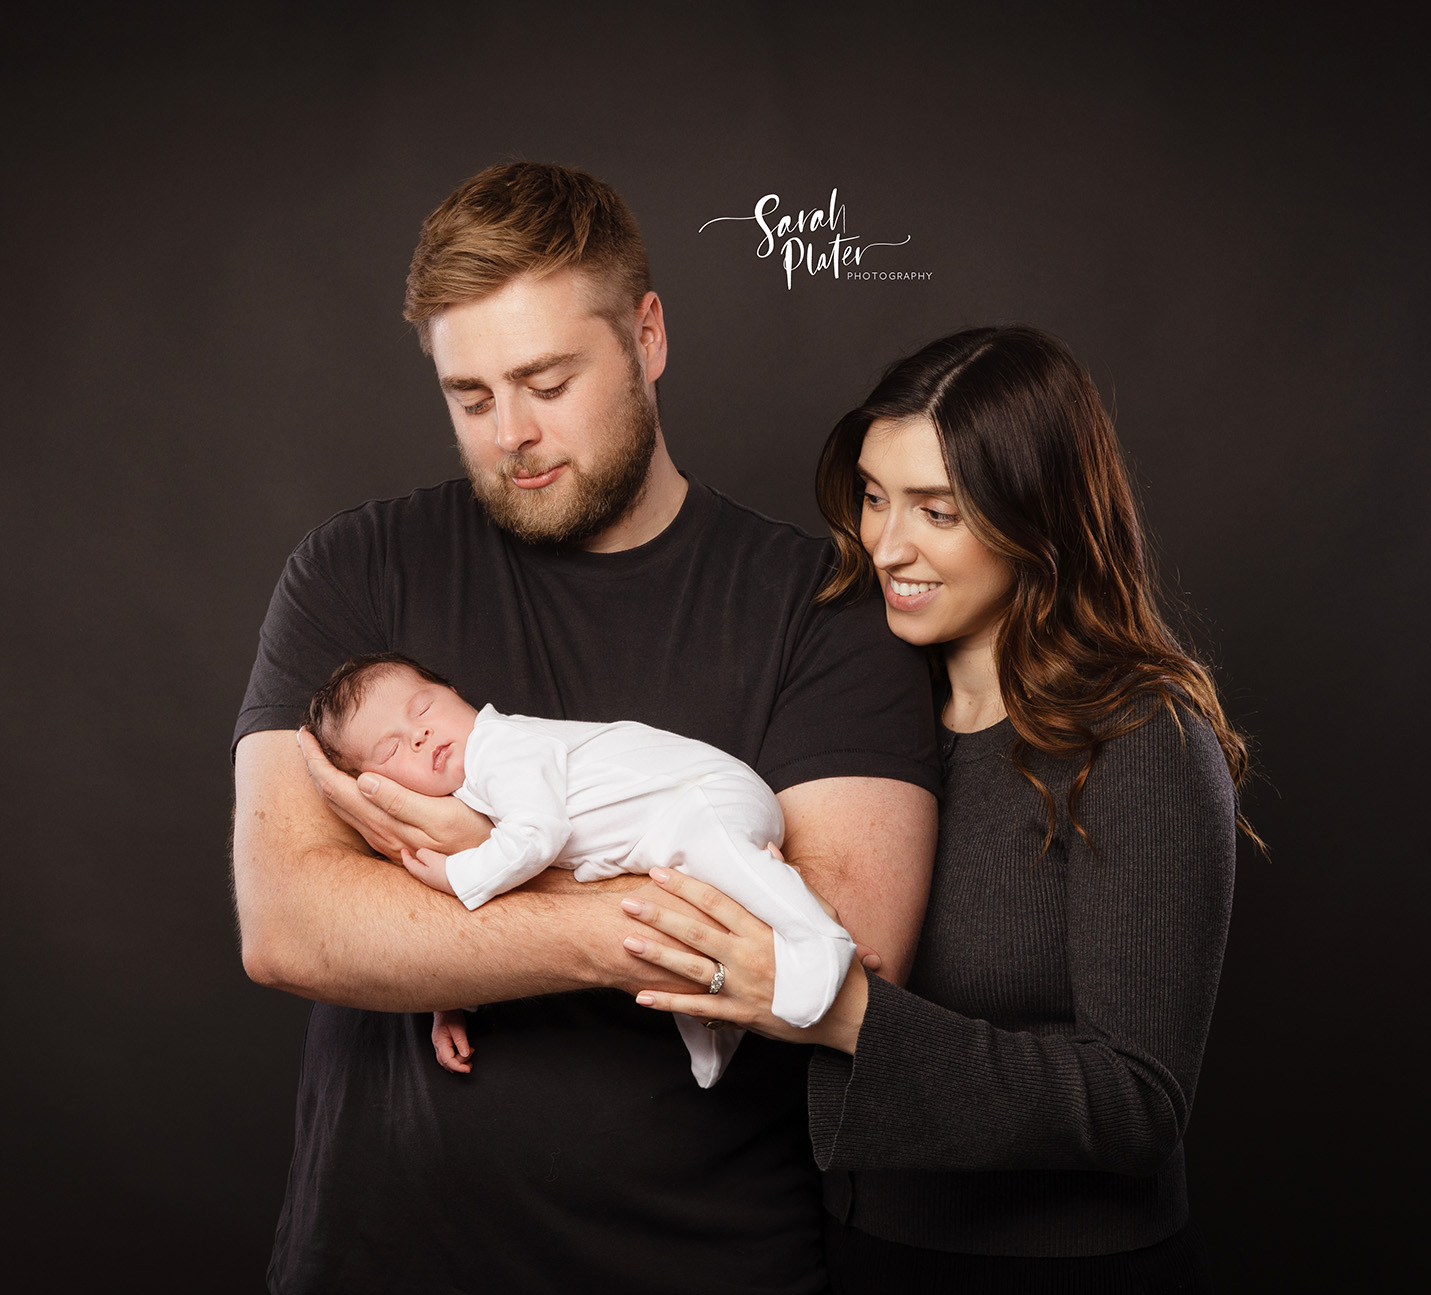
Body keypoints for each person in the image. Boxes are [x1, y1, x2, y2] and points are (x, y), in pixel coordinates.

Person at [231, 161, 939, 1294]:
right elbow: (290, 924)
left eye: (547, 381)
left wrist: (475, 867)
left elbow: (836, 949)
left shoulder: (824, 610)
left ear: (648, 336)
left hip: (702, 1264)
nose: (511, 433)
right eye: (470, 397)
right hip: (375, 1259)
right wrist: (620, 909)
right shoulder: (355, 572)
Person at [622, 325, 1251, 1292]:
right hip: (859, 1251)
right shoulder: (857, 713)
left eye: (938, 510)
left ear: (1037, 518)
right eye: (874, 497)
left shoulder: (1139, 738)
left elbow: (1139, 1103)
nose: (885, 544)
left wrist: (845, 1012)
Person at [303, 651, 855, 1087]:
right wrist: (447, 1003)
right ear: (380, 787)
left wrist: (457, 877)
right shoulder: (466, 796)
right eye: (391, 749)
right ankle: (720, 1028)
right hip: (655, 840)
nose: (419, 735)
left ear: (455, 693)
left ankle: (822, 944)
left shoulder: (500, 747)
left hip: (700, 797)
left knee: (726, 865)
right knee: (684, 921)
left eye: (422, 708)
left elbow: (537, 835)